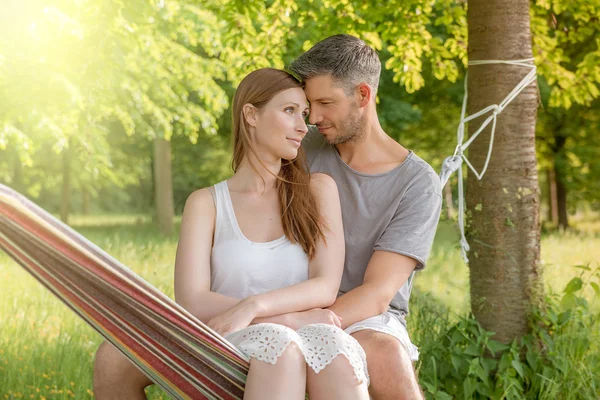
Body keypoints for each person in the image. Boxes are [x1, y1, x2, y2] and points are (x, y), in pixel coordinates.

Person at [93, 68, 370, 400]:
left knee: (335, 347)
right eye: (289, 111)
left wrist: (254, 306)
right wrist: (288, 318)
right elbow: (192, 300)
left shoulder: (318, 190)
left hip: (305, 333)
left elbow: (324, 286)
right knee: (280, 346)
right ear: (251, 115)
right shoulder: (207, 203)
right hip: (228, 342)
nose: (302, 126)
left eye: (305, 114)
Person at [289, 34, 442, 400]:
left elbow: (376, 294)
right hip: (292, 295)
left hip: (366, 316)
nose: (314, 116)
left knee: (386, 353)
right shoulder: (303, 147)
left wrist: (303, 325)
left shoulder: (417, 183)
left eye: (325, 102)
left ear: (362, 95)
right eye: (309, 103)